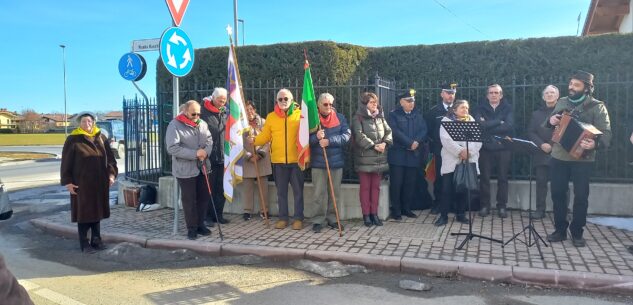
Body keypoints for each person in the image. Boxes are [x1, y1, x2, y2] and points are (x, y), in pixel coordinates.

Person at [546, 71, 611, 247]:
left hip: (582, 159)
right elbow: (549, 122)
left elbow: (606, 133)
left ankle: (577, 232)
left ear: (587, 88)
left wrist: (595, 144)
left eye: (576, 85)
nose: (571, 87)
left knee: (581, 197)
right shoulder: (562, 102)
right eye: (571, 84)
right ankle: (560, 230)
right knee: (558, 194)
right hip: (559, 156)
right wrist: (551, 120)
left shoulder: (597, 106)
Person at [60, 111, 117, 252]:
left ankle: (97, 240)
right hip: (81, 183)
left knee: (97, 213)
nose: (87, 124)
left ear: (94, 123)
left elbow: (110, 159)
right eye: (84, 121)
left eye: (89, 121)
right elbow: (65, 163)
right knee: (84, 213)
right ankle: (84, 244)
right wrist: (68, 182)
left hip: (99, 183)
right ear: (79, 123)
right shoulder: (73, 139)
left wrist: (111, 175)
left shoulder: (101, 138)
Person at [250, 89, 305, 230]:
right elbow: (265, 136)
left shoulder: (301, 116)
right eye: (280, 99)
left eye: (286, 98)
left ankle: (298, 218)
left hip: (296, 161)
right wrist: (254, 140)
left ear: (292, 100)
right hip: (278, 161)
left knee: (298, 192)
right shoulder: (271, 117)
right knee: (281, 193)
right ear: (276, 101)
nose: (283, 101)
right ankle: (283, 218)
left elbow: (307, 135)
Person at [165, 100, 214, 240]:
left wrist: (205, 152)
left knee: (203, 198)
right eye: (194, 113)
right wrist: (194, 154)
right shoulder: (174, 125)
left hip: (203, 167)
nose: (197, 116)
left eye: (199, 113)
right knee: (189, 200)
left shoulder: (203, 124)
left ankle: (200, 225)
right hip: (185, 170)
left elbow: (209, 140)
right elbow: (172, 148)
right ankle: (191, 228)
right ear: (186, 111)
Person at [434, 100, 482, 226]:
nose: (465, 110)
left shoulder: (471, 121)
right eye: (462, 107)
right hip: (452, 160)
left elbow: (478, 141)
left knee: (464, 189)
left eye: (467, 107)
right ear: (454, 110)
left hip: (468, 159)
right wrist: (460, 151)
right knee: (446, 189)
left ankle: (461, 214)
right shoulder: (446, 121)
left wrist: (469, 152)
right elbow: (446, 140)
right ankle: (443, 216)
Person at [309, 93, 351, 233]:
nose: (329, 107)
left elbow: (346, 136)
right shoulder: (313, 120)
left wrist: (329, 141)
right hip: (318, 163)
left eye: (331, 104)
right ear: (319, 105)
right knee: (318, 194)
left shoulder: (340, 118)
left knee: (335, 194)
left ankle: (333, 219)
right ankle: (318, 221)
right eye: (325, 104)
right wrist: (316, 137)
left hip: (336, 162)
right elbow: (304, 141)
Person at [352, 92, 393, 227]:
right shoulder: (358, 118)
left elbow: (388, 132)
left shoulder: (380, 117)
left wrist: (385, 143)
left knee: (376, 188)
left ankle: (374, 214)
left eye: (375, 102)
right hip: (364, 159)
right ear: (365, 104)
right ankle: (366, 215)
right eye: (371, 102)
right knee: (365, 188)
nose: (374, 104)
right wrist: (374, 145)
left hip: (379, 159)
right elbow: (359, 136)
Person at [474, 84, 514, 218]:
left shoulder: (508, 108)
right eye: (491, 92)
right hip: (485, 147)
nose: (493, 95)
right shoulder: (480, 108)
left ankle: (502, 206)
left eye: (496, 93)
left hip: (503, 147)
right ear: (487, 95)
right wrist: (499, 121)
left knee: (503, 178)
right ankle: (485, 205)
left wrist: (489, 124)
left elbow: (509, 126)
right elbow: (480, 126)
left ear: (501, 95)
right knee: (484, 178)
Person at [387, 89, 427, 220]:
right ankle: (396, 210)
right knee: (397, 183)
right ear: (401, 102)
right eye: (408, 101)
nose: (411, 104)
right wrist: (410, 142)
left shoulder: (417, 114)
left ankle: (406, 208)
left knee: (410, 183)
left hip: (413, 155)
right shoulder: (393, 115)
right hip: (398, 154)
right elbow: (394, 131)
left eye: (413, 101)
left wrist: (417, 142)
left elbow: (423, 130)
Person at [527, 85, 560, 219]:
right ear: (543, 96)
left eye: (552, 93)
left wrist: (552, 145)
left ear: (557, 96)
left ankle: (563, 210)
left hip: (558, 153)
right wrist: (542, 144)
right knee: (541, 182)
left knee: (560, 184)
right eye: (547, 93)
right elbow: (530, 132)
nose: (550, 95)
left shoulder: (564, 113)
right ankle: (540, 210)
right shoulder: (536, 114)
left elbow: (565, 132)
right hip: (541, 153)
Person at [425, 83, 458, 214]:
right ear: (442, 94)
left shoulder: (459, 109)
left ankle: (454, 204)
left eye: (453, 93)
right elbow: (428, 131)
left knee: (456, 178)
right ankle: (438, 203)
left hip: (456, 152)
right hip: (440, 151)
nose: (450, 95)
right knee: (439, 179)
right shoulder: (433, 111)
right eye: (448, 92)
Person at [201, 88, 230, 225]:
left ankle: (218, 215)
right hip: (209, 158)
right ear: (213, 98)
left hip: (223, 158)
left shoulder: (225, 112)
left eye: (224, 101)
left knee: (221, 189)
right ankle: (206, 217)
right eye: (220, 100)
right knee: (208, 189)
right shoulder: (203, 113)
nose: (222, 103)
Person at [240, 100, 272, 221]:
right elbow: (237, 144)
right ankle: (247, 210)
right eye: (247, 110)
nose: (249, 112)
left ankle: (264, 210)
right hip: (248, 159)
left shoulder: (264, 122)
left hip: (261, 159)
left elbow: (268, 140)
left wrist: (260, 154)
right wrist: (248, 155)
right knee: (247, 187)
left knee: (263, 186)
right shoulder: (240, 125)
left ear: (255, 109)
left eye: (251, 109)